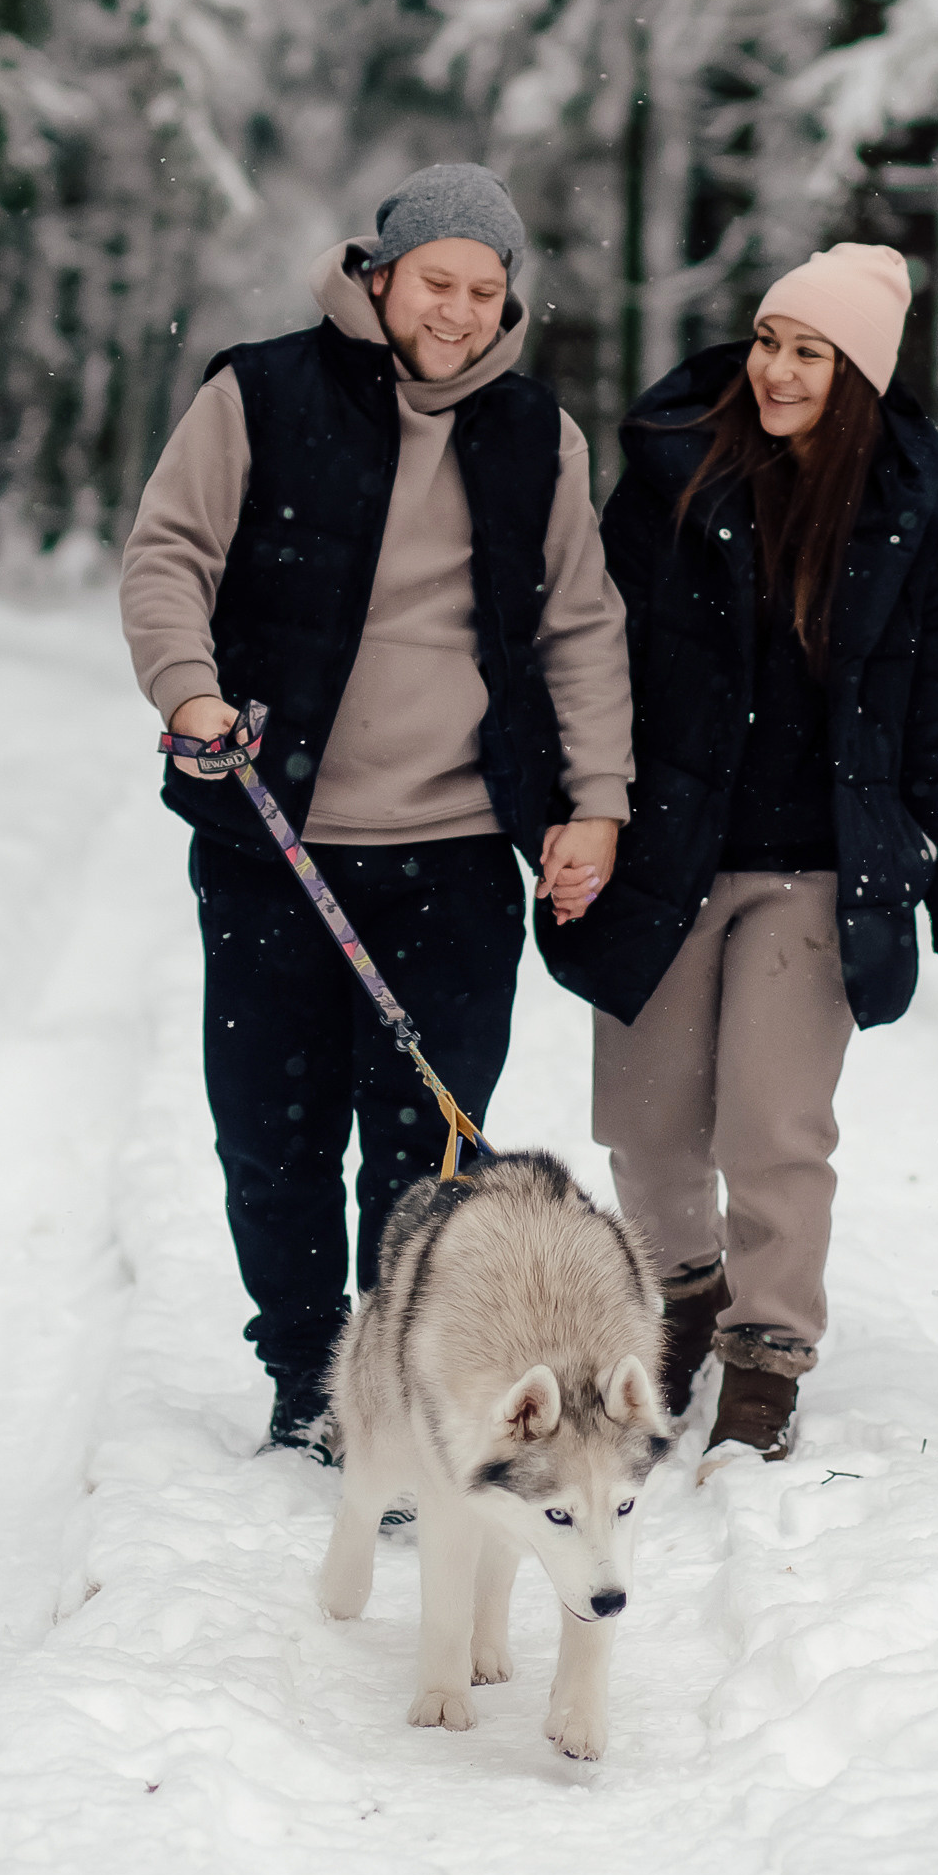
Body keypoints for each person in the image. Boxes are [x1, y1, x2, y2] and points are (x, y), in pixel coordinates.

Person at [120, 163, 633, 1455]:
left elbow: (581, 626)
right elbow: (167, 554)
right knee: (274, 1137)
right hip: (273, 842)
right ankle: (304, 1368)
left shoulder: (537, 438)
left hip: (456, 851)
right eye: (438, 280)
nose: (458, 311)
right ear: (381, 271)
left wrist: (597, 802)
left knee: (426, 1158)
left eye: (486, 288)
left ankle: (398, 1385)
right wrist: (190, 698)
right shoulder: (262, 393)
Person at [542, 242, 938, 1469]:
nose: (776, 370)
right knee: (644, 1129)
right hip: (665, 851)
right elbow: (588, 662)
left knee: (771, 1127)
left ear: (856, 374)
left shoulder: (922, 531)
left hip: (819, 871)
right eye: (766, 340)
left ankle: (765, 1349)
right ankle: (685, 1296)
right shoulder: (670, 485)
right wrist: (576, 806)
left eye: (809, 352)